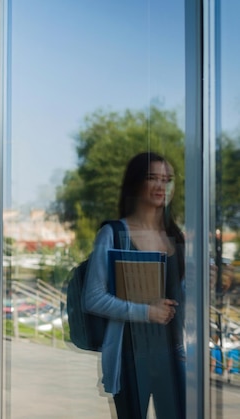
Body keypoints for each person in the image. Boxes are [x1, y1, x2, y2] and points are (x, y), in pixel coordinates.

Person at [84, 151, 185, 418]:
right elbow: (93, 297)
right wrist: (146, 312)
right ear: (136, 182)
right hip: (129, 358)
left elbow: (180, 299)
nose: (161, 186)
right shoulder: (114, 234)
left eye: (167, 179)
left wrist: (202, 286)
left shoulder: (177, 237)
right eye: (153, 177)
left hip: (174, 357)